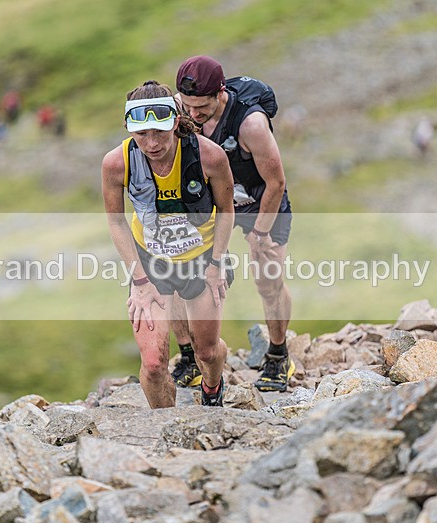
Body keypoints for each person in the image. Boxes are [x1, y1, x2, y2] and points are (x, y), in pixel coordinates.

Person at [101, 80, 235, 408]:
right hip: (151, 261)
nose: (151, 143)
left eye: (160, 132)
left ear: (176, 122)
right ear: (129, 129)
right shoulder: (116, 164)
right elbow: (116, 222)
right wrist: (139, 280)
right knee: (153, 364)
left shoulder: (210, 157)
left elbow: (227, 211)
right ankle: (168, 429)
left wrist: (217, 264)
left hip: (201, 259)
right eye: (141, 134)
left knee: (206, 350)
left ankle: (212, 389)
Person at [171, 55, 294, 393]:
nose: (193, 115)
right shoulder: (182, 111)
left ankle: (278, 354)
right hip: (214, 202)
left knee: (268, 279)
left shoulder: (250, 124)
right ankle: (187, 357)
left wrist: (260, 233)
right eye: (187, 107)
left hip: (261, 201)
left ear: (220, 93)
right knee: (180, 273)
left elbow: (276, 182)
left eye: (202, 108)